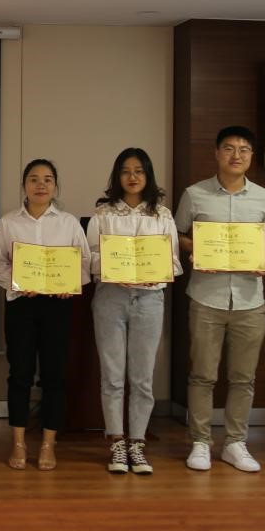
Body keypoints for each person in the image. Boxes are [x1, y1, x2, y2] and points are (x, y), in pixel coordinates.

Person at [175, 126, 265, 473]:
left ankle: (235, 442)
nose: (237, 155)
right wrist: (199, 248)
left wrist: (264, 257)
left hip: (250, 300)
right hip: (206, 296)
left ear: (251, 156)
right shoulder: (194, 194)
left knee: (243, 378)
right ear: (217, 153)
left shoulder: (264, 198)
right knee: (202, 375)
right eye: (230, 148)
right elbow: (179, 235)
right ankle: (200, 441)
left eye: (244, 149)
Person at [0, 159, 90, 471]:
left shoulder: (69, 223)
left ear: (56, 186)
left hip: (57, 306)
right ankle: (18, 442)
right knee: (19, 374)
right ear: (24, 185)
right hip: (22, 305)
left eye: (47, 179)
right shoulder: (9, 223)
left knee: (54, 376)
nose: (41, 185)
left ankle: (48, 443)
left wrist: (69, 284)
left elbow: (84, 263)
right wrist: (18, 282)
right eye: (33, 179)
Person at [86, 147, 181, 476]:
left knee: (142, 378)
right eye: (126, 171)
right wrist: (114, 269)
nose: (132, 177)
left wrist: (159, 272)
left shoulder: (163, 215)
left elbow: (173, 262)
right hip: (110, 297)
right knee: (112, 375)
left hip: (150, 299)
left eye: (139, 171)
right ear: (117, 176)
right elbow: (89, 259)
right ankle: (116, 440)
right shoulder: (103, 214)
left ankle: (137, 443)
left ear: (148, 175)